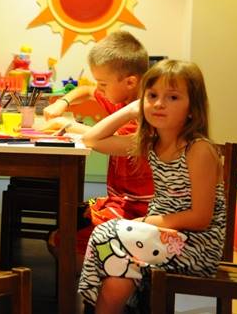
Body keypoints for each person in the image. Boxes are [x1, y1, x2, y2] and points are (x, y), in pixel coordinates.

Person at [78, 59, 226, 312]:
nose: (158, 104)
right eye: (152, 95)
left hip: (195, 245)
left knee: (107, 233)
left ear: (193, 108)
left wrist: (144, 222)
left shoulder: (198, 149)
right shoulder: (150, 142)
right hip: (161, 236)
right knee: (117, 276)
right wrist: (130, 110)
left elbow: (201, 218)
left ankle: (93, 306)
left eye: (173, 97)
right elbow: (91, 139)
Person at [43, 31, 154, 269]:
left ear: (130, 82)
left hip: (139, 208)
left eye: (103, 84)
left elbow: (95, 140)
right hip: (120, 200)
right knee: (67, 221)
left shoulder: (145, 117)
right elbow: (85, 89)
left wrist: (68, 125)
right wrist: (63, 102)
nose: (100, 89)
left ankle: (112, 276)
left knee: (62, 239)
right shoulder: (121, 99)